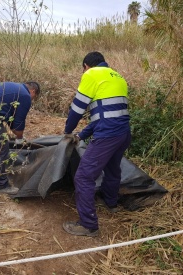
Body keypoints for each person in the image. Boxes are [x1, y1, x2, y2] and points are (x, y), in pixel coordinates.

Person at [62, 52, 131, 237]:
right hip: (123, 134)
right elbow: (107, 114)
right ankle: (111, 203)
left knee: (83, 177)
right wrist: (82, 134)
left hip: (108, 136)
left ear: (86, 66)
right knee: (112, 169)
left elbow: (77, 109)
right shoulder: (118, 76)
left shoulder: (91, 74)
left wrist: (68, 131)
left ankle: (88, 225)